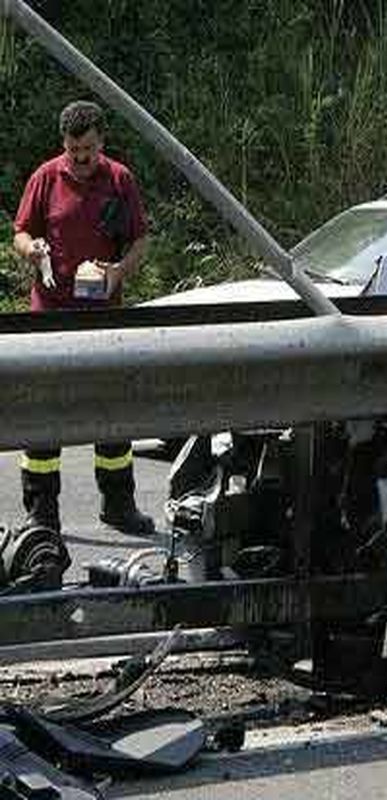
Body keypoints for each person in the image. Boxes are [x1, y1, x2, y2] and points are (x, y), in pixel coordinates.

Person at [10, 100, 155, 536]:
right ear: (64, 145)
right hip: (50, 317)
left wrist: (118, 273)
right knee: (43, 415)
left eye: (88, 151)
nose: (80, 160)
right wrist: (31, 249)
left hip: (103, 319)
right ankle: (41, 510)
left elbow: (140, 241)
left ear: (101, 142)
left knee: (111, 411)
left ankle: (118, 503)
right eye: (73, 151)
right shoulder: (45, 177)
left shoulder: (119, 180)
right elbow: (19, 232)